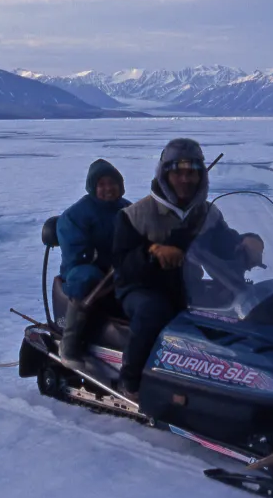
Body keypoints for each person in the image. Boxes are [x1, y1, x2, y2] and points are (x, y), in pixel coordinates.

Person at [112, 138, 263, 398]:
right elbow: (122, 266)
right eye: (177, 172)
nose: (185, 179)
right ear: (165, 174)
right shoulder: (135, 215)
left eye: (191, 172)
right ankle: (131, 381)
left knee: (240, 306)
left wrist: (246, 245)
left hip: (187, 285)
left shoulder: (206, 213)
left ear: (200, 175)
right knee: (153, 311)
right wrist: (152, 253)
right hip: (141, 287)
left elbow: (224, 245)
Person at [57, 159, 131, 365]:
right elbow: (76, 251)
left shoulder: (129, 210)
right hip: (85, 267)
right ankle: (70, 345)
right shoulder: (75, 215)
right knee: (86, 278)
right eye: (102, 184)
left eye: (112, 183)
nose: (108, 188)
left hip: (120, 268)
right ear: (93, 187)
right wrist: (106, 261)